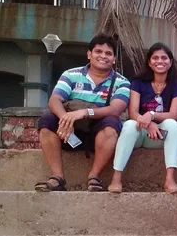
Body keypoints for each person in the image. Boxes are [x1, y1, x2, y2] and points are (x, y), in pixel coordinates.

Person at [34, 34, 131, 192]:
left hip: (98, 136)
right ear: (89, 54)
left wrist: (84, 112)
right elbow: (54, 100)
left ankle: (94, 176)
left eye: (108, 53)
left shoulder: (122, 82)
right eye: (98, 51)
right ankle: (58, 177)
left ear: (114, 59)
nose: (103, 56)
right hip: (68, 133)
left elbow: (116, 109)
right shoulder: (71, 75)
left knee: (112, 123)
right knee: (47, 120)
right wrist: (65, 118)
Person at [109, 42, 177, 194]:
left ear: (170, 62)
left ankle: (169, 179)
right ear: (149, 62)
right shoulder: (138, 82)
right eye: (155, 58)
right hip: (139, 133)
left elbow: (174, 114)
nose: (160, 61)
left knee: (171, 124)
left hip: (159, 136)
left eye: (164, 58)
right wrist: (148, 124)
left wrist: (151, 115)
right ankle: (116, 178)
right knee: (130, 125)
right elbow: (133, 112)